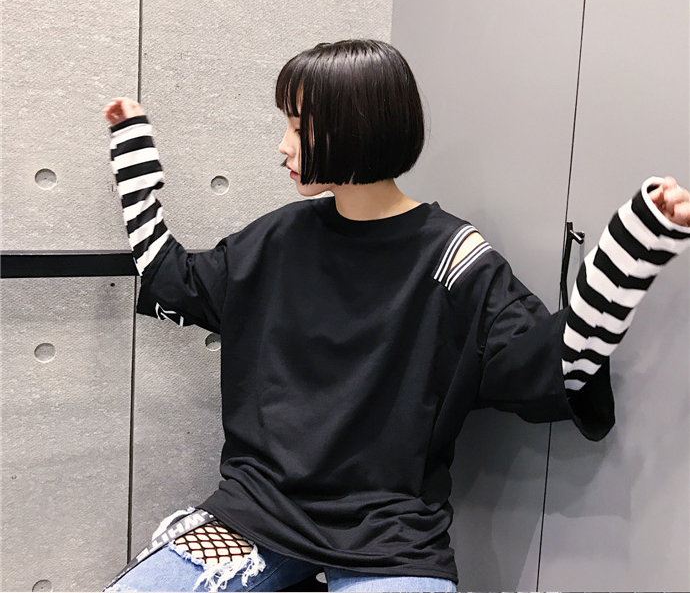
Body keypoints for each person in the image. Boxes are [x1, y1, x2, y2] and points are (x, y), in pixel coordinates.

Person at [101, 39, 690, 593]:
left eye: (299, 128)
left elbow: (552, 361)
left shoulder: (453, 259)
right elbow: (173, 279)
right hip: (258, 514)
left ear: (354, 130)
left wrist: (634, 244)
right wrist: (133, 154)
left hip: (390, 535)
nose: (283, 146)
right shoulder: (280, 239)